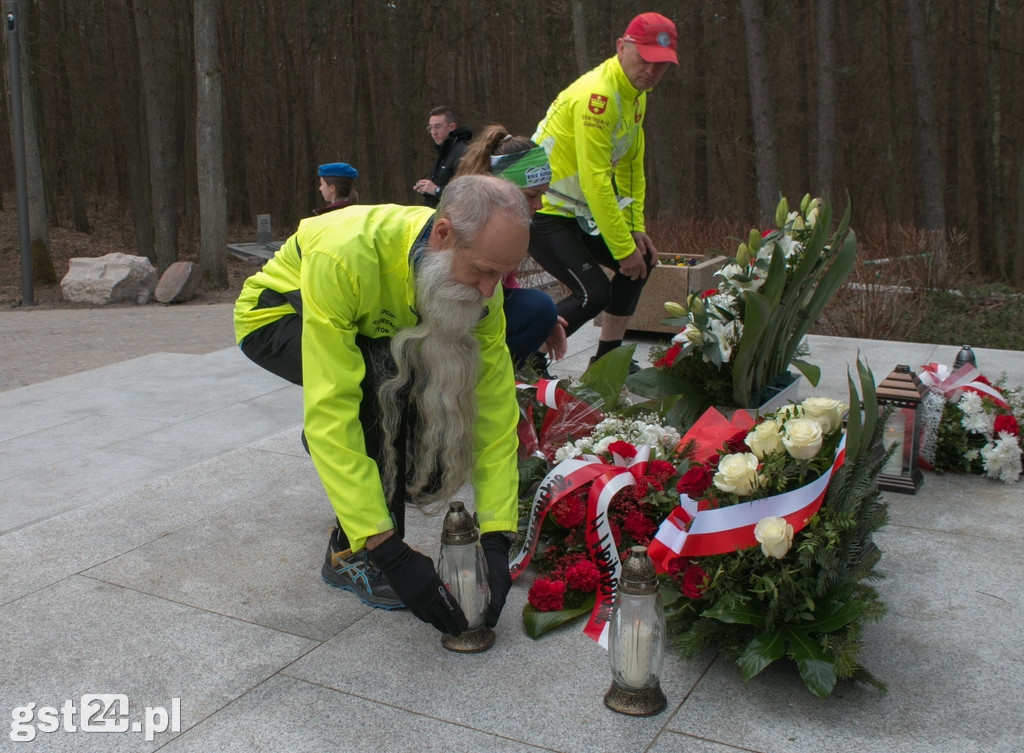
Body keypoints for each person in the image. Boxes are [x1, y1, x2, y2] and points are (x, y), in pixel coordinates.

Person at [233, 175, 530, 637]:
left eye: (502, 275)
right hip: (274, 317)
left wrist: (496, 537)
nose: (490, 292)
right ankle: (350, 555)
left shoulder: (479, 283)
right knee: (378, 381)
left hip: (371, 331)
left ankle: (365, 502)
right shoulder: (346, 254)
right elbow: (333, 406)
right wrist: (387, 551)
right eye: (482, 271)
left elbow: (493, 410)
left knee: (425, 374)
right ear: (443, 235)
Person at [527, 12, 677, 369]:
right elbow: (596, 180)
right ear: (622, 48)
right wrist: (623, 249)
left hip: (577, 211)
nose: (652, 72)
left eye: (662, 66)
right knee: (593, 293)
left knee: (642, 264)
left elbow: (629, 168)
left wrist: (634, 230)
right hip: (543, 209)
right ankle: (521, 355)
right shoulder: (598, 96)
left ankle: (607, 360)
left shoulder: (636, 95)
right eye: (645, 60)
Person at [455, 124, 567, 373]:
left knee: (541, 309)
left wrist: (541, 319)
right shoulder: (469, 223)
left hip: (481, 308)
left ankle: (505, 373)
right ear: (502, 189)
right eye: (530, 196)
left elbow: (505, 281)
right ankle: (478, 375)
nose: (539, 205)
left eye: (542, 195)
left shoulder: (508, 222)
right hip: (454, 316)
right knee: (540, 308)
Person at [413, 106, 472, 207]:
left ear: (452, 127)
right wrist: (425, 189)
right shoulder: (444, 151)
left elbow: (467, 192)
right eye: (430, 128)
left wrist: (436, 190)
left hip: (451, 219)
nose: (433, 132)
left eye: (438, 127)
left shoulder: (463, 152)